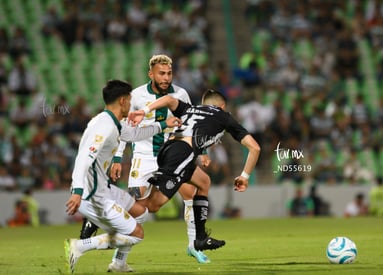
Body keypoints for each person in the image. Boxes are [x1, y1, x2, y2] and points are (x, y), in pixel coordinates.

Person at [102, 54, 210, 263]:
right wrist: (117, 157)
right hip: (144, 157)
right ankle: (118, 260)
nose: (166, 78)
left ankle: (193, 245)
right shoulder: (137, 96)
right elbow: (125, 127)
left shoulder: (180, 93)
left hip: (173, 158)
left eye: (169, 73)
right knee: (140, 209)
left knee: (191, 192)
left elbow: (191, 124)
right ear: (151, 74)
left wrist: (202, 151)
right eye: (161, 73)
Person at [64, 79, 180, 273]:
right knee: (137, 234)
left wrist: (164, 125)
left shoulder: (110, 122)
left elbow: (133, 134)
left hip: (104, 189)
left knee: (140, 213)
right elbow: (83, 158)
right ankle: (79, 246)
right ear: (123, 101)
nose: (131, 104)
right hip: (92, 195)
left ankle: (119, 263)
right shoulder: (104, 127)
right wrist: (77, 191)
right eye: (130, 100)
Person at [128, 89, 261, 251]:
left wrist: (144, 111)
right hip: (181, 155)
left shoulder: (190, 108)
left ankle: (200, 238)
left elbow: (169, 99)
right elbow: (255, 148)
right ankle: (110, 210)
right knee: (153, 205)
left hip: (169, 149)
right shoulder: (224, 116)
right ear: (223, 106)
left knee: (204, 182)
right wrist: (245, 176)